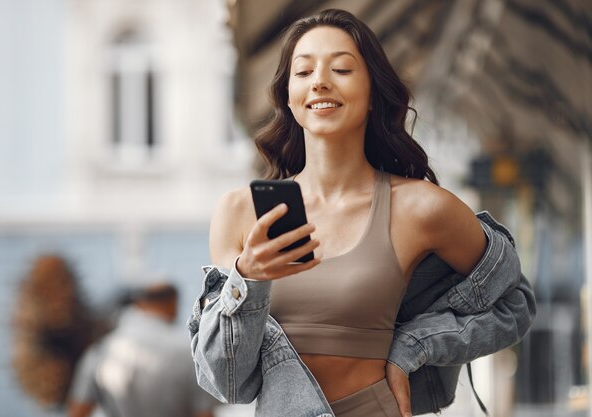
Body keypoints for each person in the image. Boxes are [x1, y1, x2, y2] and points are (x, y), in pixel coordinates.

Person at [188, 8, 535, 417]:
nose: (319, 81)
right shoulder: (239, 212)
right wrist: (248, 279)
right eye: (303, 72)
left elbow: (515, 303)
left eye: (341, 68)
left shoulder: (420, 207)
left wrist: (413, 347)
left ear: (373, 92)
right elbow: (227, 381)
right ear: (288, 97)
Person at [68, 283, 215, 417]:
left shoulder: (101, 349)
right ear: (173, 303)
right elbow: (204, 413)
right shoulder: (188, 351)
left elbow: (78, 411)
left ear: (140, 304)